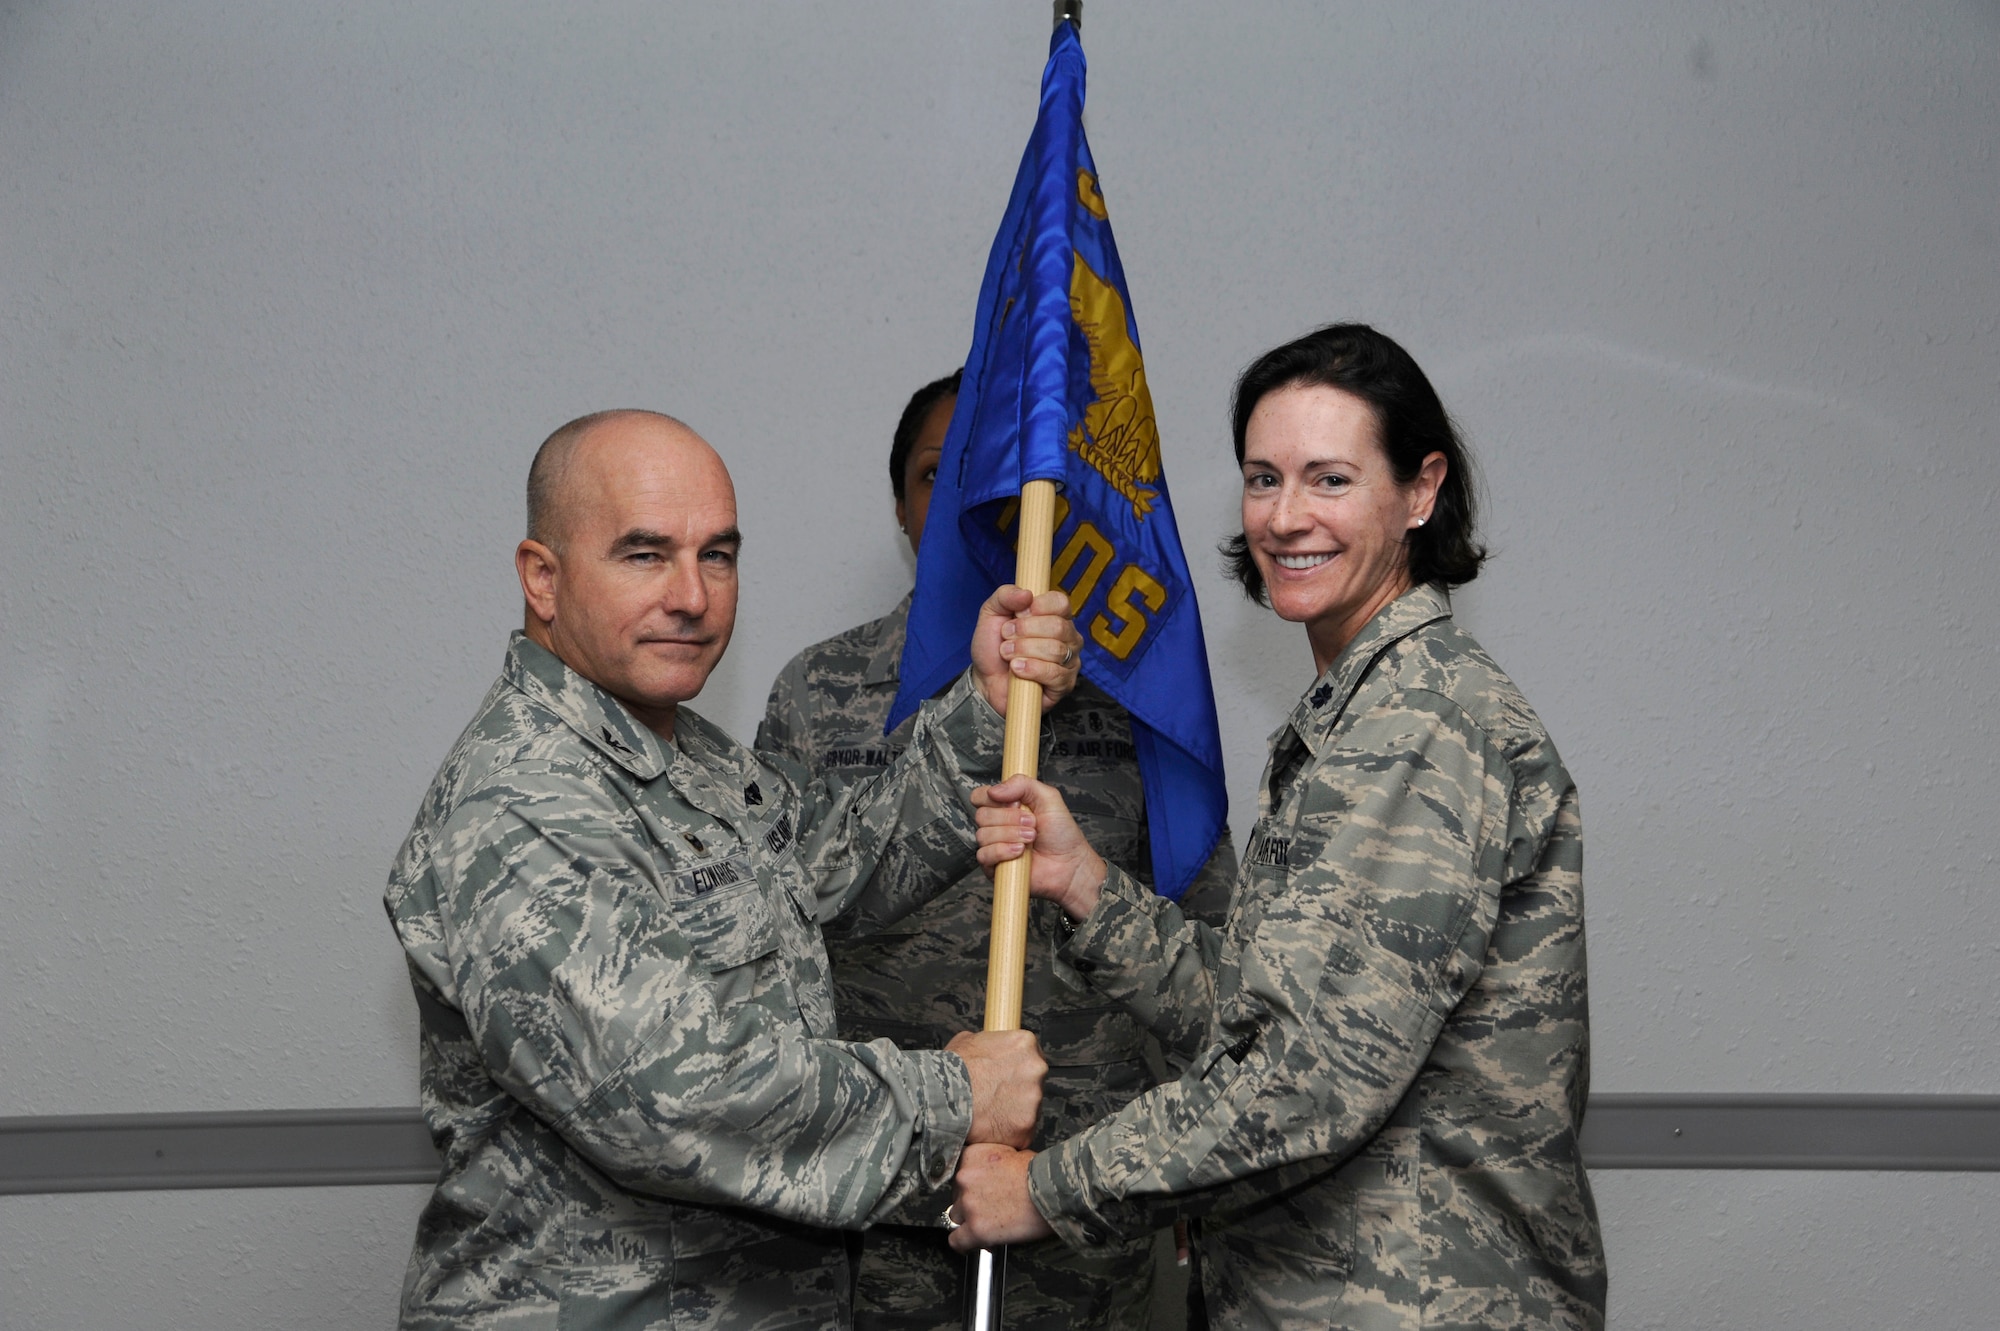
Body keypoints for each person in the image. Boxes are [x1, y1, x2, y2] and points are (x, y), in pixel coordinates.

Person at [948, 325, 1608, 1330]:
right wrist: (1086, 885)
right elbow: (1261, 1017)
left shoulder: (1420, 723)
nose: (1285, 516)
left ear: (1420, 491)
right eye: (1263, 478)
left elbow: (1311, 1076)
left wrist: (1045, 1190)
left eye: (1329, 479)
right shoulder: (1357, 713)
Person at [385, 409, 1085, 1330]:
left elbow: (829, 871)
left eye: (717, 555)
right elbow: (673, 1098)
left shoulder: (688, 756)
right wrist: (956, 1098)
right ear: (542, 577)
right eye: (645, 554)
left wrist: (985, 708)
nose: (692, 595)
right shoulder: (522, 800)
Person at [757, 372, 1236, 1331]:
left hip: (1083, 1187)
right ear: (900, 501)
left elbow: (1212, 934)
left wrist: (1196, 1163)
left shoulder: (1133, 695)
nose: (968, 498)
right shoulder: (820, 688)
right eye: (938, 474)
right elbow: (773, 923)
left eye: (1000, 474)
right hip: (877, 1194)